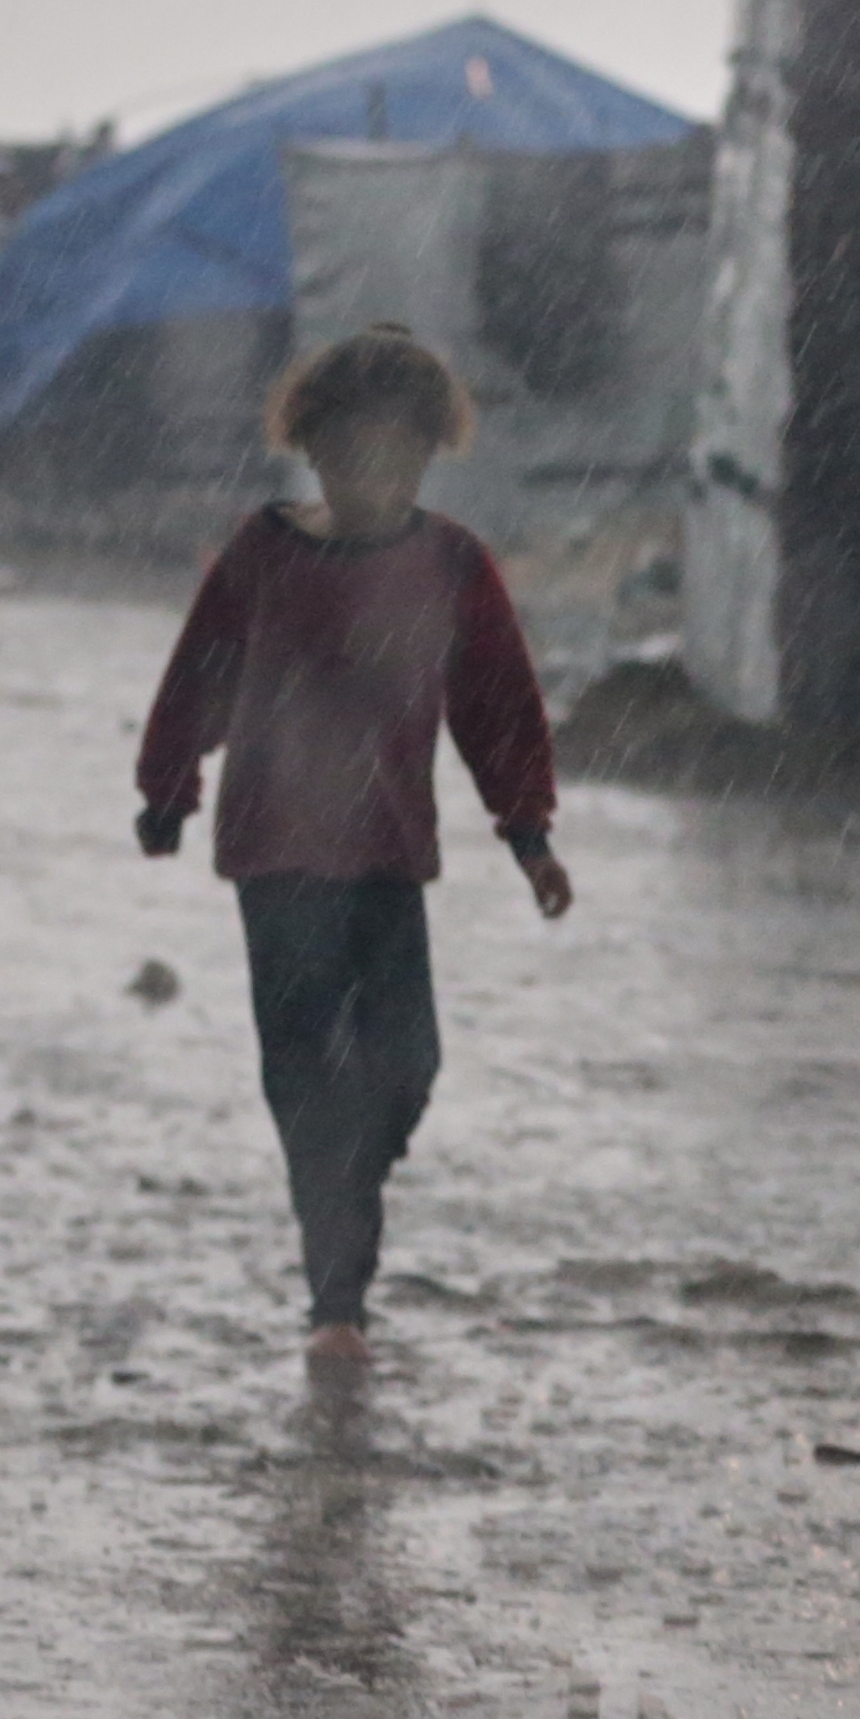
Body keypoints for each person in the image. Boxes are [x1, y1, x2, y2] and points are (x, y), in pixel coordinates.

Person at [135, 327, 573, 1361]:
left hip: (384, 855)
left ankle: (348, 1197)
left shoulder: (452, 565)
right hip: (274, 857)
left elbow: (499, 708)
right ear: (315, 451)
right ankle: (338, 1299)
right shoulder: (263, 553)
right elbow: (198, 674)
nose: (375, 473)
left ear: (429, 453)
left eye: (398, 453)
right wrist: (169, 787)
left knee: (407, 1063)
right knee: (303, 1074)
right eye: (353, 451)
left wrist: (530, 836)